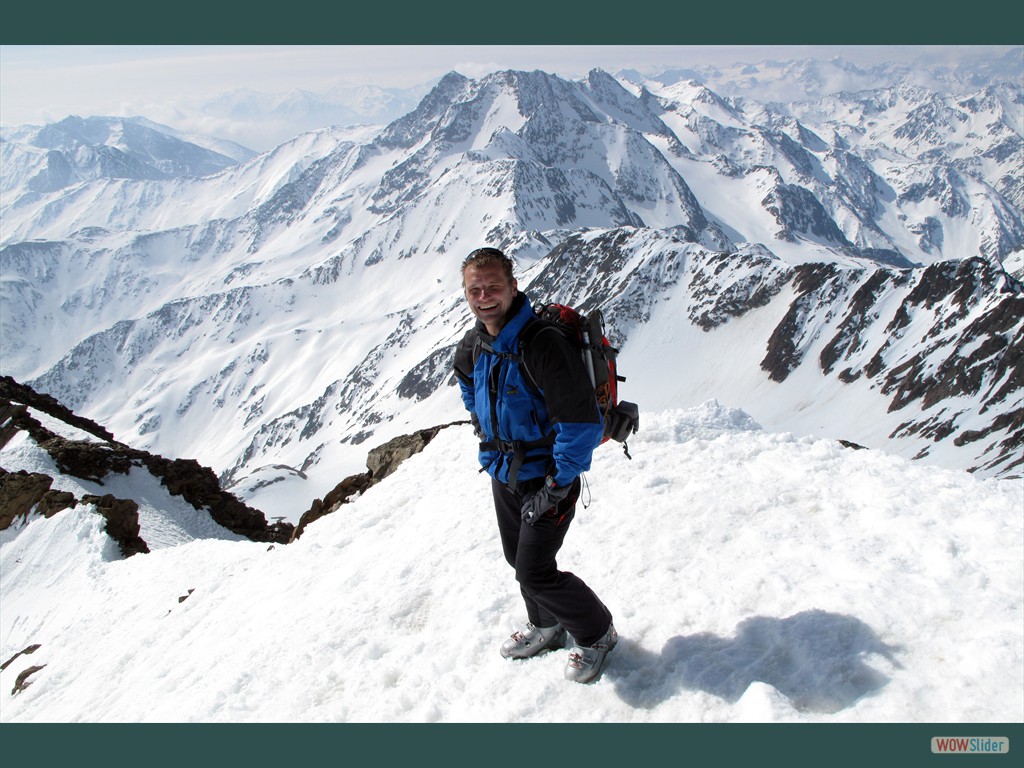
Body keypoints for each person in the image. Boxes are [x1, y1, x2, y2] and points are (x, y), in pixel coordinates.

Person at [452, 246, 617, 684]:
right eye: (475, 289)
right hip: (504, 472)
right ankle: (546, 624)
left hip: (547, 478)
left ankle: (597, 633)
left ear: (513, 287)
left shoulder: (541, 345)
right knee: (517, 558)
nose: (484, 296)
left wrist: (558, 483)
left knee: (535, 570)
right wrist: (485, 427)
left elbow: (581, 424)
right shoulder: (475, 342)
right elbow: (469, 385)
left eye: (493, 287)